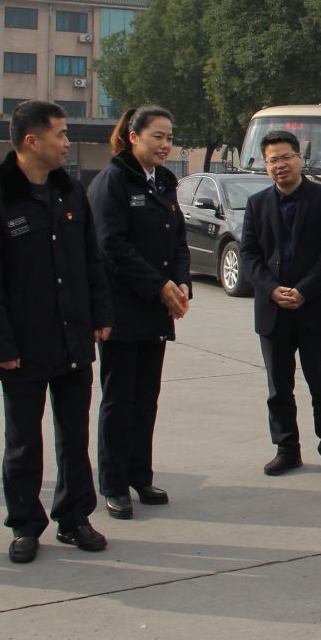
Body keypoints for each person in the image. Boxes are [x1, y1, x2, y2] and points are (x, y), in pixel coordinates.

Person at [0, 101, 113, 564]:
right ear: (32, 141)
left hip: (73, 337)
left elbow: (91, 259)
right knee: (23, 441)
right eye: (60, 134)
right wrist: (0, 347)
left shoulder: (70, 192)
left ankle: (74, 517)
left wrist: (99, 315)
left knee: (74, 434)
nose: (67, 143)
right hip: (22, 345)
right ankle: (25, 525)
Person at [87, 106, 190, 520]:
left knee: (147, 397)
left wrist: (180, 281)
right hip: (121, 310)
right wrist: (159, 285)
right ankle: (113, 483)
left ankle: (139, 476)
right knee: (119, 400)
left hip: (155, 311)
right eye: (157, 136)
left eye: (169, 138)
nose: (165, 145)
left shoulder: (163, 181)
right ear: (133, 137)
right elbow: (111, 245)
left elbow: (177, 239)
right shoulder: (112, 181)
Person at [240, 130, 321, 478]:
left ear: (300, 158)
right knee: (278, 389)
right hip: (273, 312)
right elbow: (249, 254)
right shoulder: (257, 203)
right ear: (266, 165)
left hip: (315, 309)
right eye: (273, 160)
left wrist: (303, 291)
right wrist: (271, 289)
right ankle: (286, 449)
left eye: (286, 157)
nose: (280, 165)